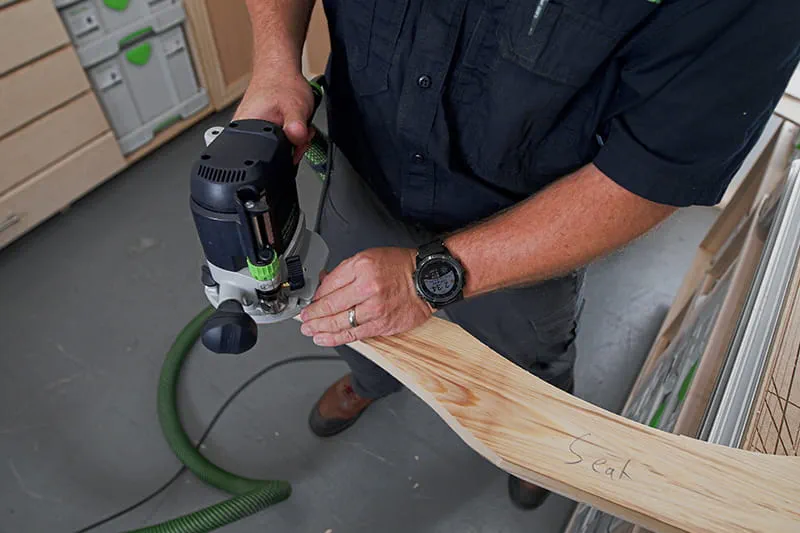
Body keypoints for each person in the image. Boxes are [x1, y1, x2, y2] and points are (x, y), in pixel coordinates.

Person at [235, 0, 800, 510]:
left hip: (530, 225)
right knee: (356, 319)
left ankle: (539, 451)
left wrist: (426, 279)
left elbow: (654, 170)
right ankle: (371, 382)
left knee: (532, 353)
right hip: (364, 169)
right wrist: (273, 62)